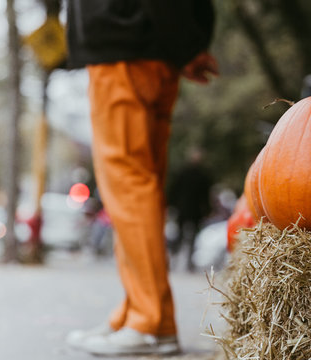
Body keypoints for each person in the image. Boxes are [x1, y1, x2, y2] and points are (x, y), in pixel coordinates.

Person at [64, 0, 218, 356]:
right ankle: (136, 310)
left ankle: (149, 322)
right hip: (153, 44)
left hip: (123, 42)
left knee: (128, 183)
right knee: (142, 184)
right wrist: (188, 43)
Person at [167, 148, 213, 271]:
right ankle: (175, 258)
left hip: (193, 210)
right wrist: (171, 204)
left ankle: (188, 261)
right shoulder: (184, 173)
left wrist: (207, 209)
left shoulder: (202, 176)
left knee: (191, 236)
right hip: (184, 209)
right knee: (180, 234)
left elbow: (205, 195)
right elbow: (175, 190)